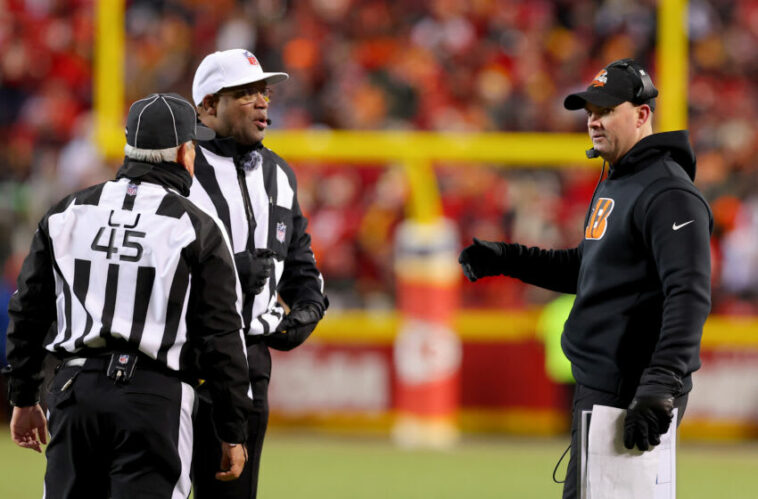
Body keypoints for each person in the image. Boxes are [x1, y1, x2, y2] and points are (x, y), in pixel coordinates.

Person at [458, 59, 712, 498]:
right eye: (589, 112)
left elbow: (688, 294)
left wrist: (661, 383)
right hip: (604, 386)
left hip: (631, 389)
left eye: (606, 110)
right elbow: (589, 269)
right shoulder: (618, 181)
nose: (593, 121)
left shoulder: (667, 192)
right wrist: (508, 257)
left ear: (641, 114)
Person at [6, 93, 254, 498]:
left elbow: (28, 310)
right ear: (183, 153)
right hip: (154, 397)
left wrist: (23, 396)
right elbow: (222, 336)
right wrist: (232, 429)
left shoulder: (67, 212)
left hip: (74, 391)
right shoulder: (196, 227)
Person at [189, 49, 329, 498]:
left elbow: (301, 263)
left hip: (249, 362)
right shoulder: (180, 170)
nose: (263, 102)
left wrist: (308, 308)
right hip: (178, 359)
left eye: (263, 91)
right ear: (209, 106)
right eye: (246, 93)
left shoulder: (279, 174)